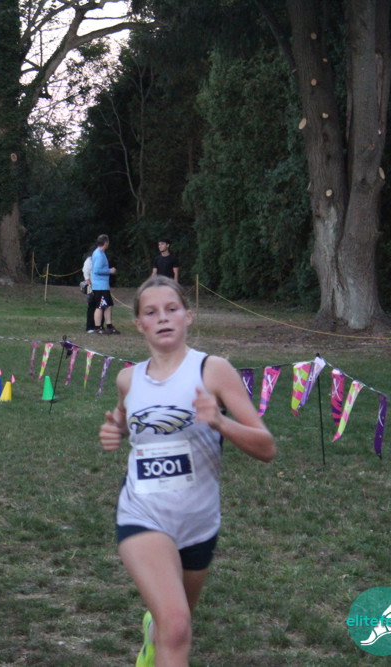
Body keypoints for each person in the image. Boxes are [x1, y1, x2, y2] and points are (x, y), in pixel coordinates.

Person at [99, 275, 276, 666]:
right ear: (139, 324)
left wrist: (220, 422)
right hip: (142, 513)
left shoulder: (213, 371)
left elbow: (266, 448)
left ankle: (154, 634)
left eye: (172, 309)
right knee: (178, 627)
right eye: (151, 312)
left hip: (198, 522)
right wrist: (116, 430)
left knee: (174, 623)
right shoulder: (128, 378)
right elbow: (126, 419)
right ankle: (162, 631)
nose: (163, 318)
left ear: (188, 316)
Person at [89, 234, 119, 334]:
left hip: (103, 286)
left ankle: (109, 326)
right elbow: (97, 270)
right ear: (105, 243)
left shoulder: (101, 253)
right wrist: (110, 271)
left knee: (108, 305)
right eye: (108, 241)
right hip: (99, 286)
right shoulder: (98, 254)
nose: (109, 243)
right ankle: (98, 328)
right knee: (100, 306)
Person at [82, 249, 96, 333]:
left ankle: (97, 325)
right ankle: (90, 326)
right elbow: (85, 271)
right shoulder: (89, 260)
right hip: (91, 285)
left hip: (98, 286)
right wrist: (88, 283)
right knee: (91, 306)